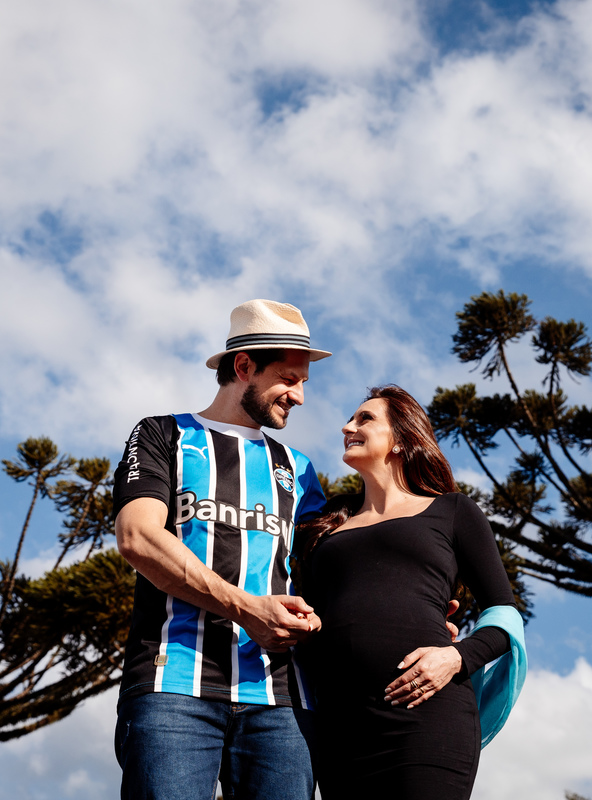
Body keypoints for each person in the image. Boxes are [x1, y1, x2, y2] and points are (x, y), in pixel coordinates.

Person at [112, 299, 331, 800]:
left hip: (282, 700)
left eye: (303, 382)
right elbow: (139, 536)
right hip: (173, 687)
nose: (299, 396)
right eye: (289, 379)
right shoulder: (162, 434)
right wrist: (246, 607)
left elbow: (329, 574)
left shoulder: (299, 468)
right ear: (243, 366)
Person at [296, 385, 522, 799]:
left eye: (365, 419)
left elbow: (504, 615)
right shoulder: (324, 526)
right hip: (340, 728)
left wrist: (456, 657)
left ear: (401, 439)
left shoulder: (452, 511)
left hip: (426, 717)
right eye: (351, 418)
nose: (348, 427)